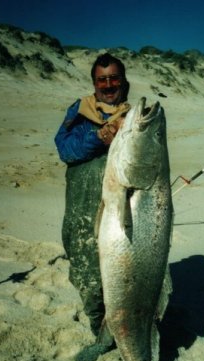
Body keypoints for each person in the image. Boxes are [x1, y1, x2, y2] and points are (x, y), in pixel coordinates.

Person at [55, 53, 131, 340]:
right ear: (94, 83)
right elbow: (65, 150)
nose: (109, 85)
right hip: (81, 213)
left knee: (123, 280)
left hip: (119, 217)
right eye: (102, 79)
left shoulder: (135, 118)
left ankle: (125, 336)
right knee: (87, 279)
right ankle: (100, 333)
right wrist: (100, 137)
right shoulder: (80, 111)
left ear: (123, 81)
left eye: (114, 78)